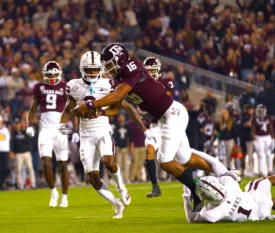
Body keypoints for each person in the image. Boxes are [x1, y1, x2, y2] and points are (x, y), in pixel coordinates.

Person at [72, 43, 229, 211]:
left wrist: (90, 105)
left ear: (120, 60)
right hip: (163, 118)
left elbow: (116, 95)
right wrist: (98, 111)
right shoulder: (116, 77)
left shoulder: (131, 68)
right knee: (185, 158)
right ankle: (223, 173)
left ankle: (198, 190)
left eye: (110, 65)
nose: (108, 69)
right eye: (106, 66)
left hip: (172, 113)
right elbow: (116, 104)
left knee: (164, 161)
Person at [59, 51, 134, 219]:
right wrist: (62, 125)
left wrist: (99, 113)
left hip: (102, 129)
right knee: (92, 177)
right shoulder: (74, 85)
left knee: (108, 161)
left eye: (95, 69)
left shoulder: (109, 84)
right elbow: (67, 110)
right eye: (89, 69)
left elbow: (115, 109)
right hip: (85, 133)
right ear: (82, 68)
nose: (92, 72)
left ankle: (121, 186)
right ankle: (116, 204)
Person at [26, 61, 69, 207]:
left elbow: (72, 109)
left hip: (60, 130)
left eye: (54, 74)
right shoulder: (39, 87)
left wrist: (73, 128)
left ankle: (64, 196)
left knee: (63, 164)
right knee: (46, 161)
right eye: (49, 74)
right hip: (45, 129)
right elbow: (32, 109)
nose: (51, 76)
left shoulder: (65, 87)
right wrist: (28, 125)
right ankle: (53, 191)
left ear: (59, 73)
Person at [183, 172, 275, 223]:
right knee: (263, 182)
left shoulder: (211, 214)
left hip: (255, 215)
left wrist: (186, 196)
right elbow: (232, 175)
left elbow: (191, 218)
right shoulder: (230, 185)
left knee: (270, 202)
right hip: (253, 200)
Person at [142, 56, 174, 198]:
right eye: (148, 70)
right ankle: (155, 187)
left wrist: (150, 111)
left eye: (153, 70)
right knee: (149, 150)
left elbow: (164, 102)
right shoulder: (142, 86)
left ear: (158, 70)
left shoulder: (165, 82)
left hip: (168, 122)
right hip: (155, 125)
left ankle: (190, 186)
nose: (151, 73)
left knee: (180, 158)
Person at [11, 118, 36, 189]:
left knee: (30, 168)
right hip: (18, 153)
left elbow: (32, 138)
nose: (21, 125)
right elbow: (12, 143)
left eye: (22, 123)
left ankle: (33, 183)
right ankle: (19, 184)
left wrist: (25, 129)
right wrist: (12, 151)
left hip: (27, 152)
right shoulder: (14, 133)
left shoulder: (26, 132)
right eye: (19, 123)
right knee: (19, 169)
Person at [252, 104, 275, 176]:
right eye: (260, 111)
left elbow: (271, 128)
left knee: (268, 154)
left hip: (267, 137)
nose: (261, 112)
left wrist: (273, 138)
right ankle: (261, 171)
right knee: (260, 154)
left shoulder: (268, 117)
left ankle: (270, 170)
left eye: (262, 111)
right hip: (258, 137)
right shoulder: (255, 118)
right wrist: (254, 139)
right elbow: (253, 129)